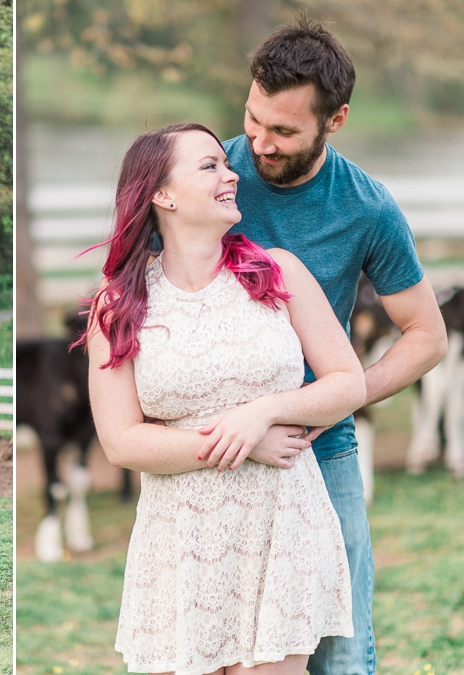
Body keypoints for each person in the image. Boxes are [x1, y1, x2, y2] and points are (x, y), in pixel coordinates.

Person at [80, 123, 367, 674]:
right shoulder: (118, 305)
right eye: (209, 165)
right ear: (161, 194)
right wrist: (240, 442)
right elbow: (120, 442)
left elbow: (346, 382)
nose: (231, 172)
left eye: (225, 164)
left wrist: (261, 414)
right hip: (180, 540)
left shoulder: (278, 272)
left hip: (282, 526)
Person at [222, 17, 447, 675]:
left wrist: (331, 399)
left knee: (342, 650)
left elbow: (428, 335)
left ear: (336, 119)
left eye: (283, 131)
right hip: (221, 448)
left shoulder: (367, 207)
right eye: (253, 118)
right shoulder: (210, 175)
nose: (259, 142)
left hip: (326, 451)